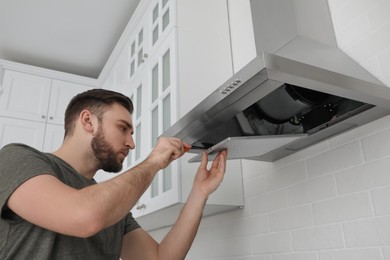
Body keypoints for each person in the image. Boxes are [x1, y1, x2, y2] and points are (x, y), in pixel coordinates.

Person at [0, 88, 227, 259]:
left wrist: (199, 193)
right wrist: (154, 161)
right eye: (122, 128)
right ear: (88, 121)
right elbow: (83, 216)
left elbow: (160, 258)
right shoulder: (17, 158)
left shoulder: (112, 206)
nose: (131, 143)